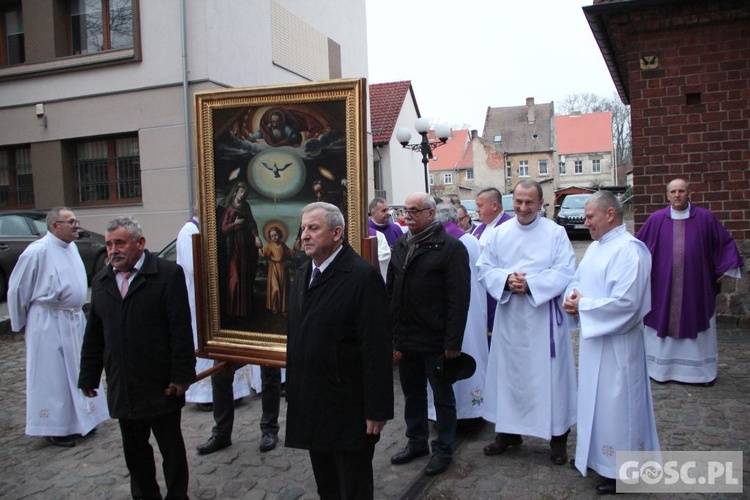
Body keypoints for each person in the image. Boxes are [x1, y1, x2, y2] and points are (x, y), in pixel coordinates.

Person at [79, 216, 196, 500]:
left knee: (171, 449)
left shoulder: (167, 275)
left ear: (140, 243)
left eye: (120, 242)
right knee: (134, 451)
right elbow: (95, 334)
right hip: (123, 385)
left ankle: (177, 495)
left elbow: (180, 329)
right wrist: (88, 375)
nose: (113, 250)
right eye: (108, 244)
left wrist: (181, 376)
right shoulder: (102, 280)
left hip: (160, 384)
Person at [286, 202, 393, 499]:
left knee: (353, 487)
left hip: (349, 406)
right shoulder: (303, 273)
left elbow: (376, 349)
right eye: (303, 228)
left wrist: (377, 410)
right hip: (313, 402)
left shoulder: (362, 277)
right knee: (327, 486)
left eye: (313, 228)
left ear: (337, 233)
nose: (304, 235)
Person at [563, 191, 659, 495]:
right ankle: (597, 459)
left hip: (619, 346)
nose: (585, 221)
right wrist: (572, 297)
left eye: (590, 216)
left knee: (619, 406)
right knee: (595, 403)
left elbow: (628, 304)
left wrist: (584, 305)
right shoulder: (596, 248)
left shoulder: (631, 251)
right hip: (596, 342)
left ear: (610, 215)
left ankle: (622, 471)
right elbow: (579, 280)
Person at [476, 180, 577, 465]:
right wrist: (507, 280)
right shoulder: (500, 233)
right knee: (511, 376)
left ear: (540, 203)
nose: (523, 208)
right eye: (518, 201)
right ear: (512, 201)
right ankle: (509, 432)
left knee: (551, 379)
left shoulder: (555, 233)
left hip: (543, 318)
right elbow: (485, 268)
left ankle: (558, 438)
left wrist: (531, 284)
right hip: (511, 319)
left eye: (529, 202)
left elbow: (566, 269)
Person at [7, 207, 109, 448]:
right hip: (48, 321)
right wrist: (22, 323)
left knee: (78, 370)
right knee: (53, 375)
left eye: (77, 221)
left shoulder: (70, 247)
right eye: (71, 222)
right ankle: (55, 426)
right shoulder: (38, 251)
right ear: (54, 226)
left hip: (73, 319)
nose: (77, 226)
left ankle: (84, 418)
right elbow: (17, 289)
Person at [387, 192, 471, 476]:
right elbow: (391, 292)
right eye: (406, 210)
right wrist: (392, 331)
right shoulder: (401, 244)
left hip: (436, 339)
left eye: (414, 211)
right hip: (407, 338)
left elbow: (459, 299)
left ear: (431, 214)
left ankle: (444, 449)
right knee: (412, 394)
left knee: (442, 397)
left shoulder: (450, 248)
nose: (407, 215)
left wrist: (452, 342)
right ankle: (417, 442)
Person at [636, 178, 742, 385]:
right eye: (673, 192)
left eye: (681, 191)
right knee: (662, 320)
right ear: (667, 196)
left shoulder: (705, 218)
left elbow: (724, 242)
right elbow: (638, 248)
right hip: (663, 287)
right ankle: (661, 371)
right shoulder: (656, 220)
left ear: (689, 193)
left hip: (696, 286)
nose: (677, 195)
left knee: (697, 320)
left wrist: (725, 267)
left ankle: (700, 374)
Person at [177, 207, 251, 410]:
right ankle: (205, 394)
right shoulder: (189, 232)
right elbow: (195, 268)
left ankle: (233, 391)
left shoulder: (212, 229)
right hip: (201, 298)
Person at [428, 203, 488, 424]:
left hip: (445, 309)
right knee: (472, 352)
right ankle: (473, 411)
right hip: (472, 307)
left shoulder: (436, 242)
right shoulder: (470, 240)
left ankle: (443, 413)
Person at [471, 187, 513, 338]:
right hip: (480, 289)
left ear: (494, 206)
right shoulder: (478, 229)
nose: (477, 210)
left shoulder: (510, 227)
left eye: (480, 205)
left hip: (499, 290)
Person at [220, 181, 262, 324]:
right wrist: (235, 224)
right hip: (233, 247)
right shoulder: (230, 208)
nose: (243, 195)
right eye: (242, 192)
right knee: (235, 277)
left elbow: (251, 223)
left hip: (246, 246)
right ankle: (232, 310)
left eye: (245, 193)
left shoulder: (246, 206)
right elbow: (223, 229)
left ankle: (243, 311)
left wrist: (256, 237)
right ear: (236, 191)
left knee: (245, 277)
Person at [258, 225, 295, 315]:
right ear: (270, 237)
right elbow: (264, 253)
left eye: (276, 235)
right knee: (275, 288)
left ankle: (283, 309)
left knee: (283, 287)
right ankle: (274, 307)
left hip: (283, 268)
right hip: (273, 268)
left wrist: (295, 248)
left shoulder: (282, 244)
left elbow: (289, 253)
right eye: (272, 236)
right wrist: (260, 247)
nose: (274, 237)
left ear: (279, 234)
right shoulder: (270, 245)